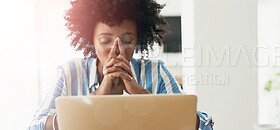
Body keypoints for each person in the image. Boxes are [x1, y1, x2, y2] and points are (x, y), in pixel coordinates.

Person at [28, 0, 213, 129]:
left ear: (138, 39)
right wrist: (98, 96)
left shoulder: (156, 71)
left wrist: (141, 94)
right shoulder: (70, 73)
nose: (117, 51)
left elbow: (202, 126)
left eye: (126, 41)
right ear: (91, 40)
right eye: (105, 40)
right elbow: (35, 127)